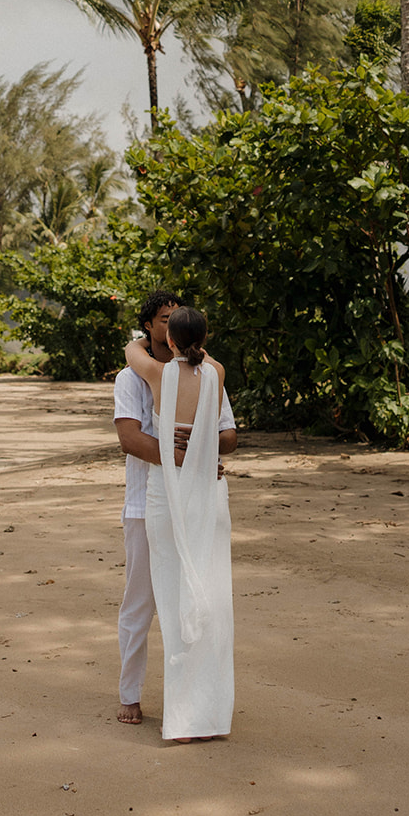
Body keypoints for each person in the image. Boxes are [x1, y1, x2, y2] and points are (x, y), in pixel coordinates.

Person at [113, 291, 236, 727]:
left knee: (199, 601)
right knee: (142, 603)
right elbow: (129, 439)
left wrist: (197, 449)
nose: (166, 326)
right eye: (161, 319)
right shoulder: (135, 378)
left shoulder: (178, 372)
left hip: (188, 499)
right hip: (148, 501)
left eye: (173, 321)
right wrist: (191, 455)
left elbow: (229, 435)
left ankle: (195, 703)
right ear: (149, 325)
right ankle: (131, 694)